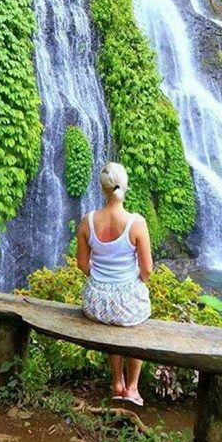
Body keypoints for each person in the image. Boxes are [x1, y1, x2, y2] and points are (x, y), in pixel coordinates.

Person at [76, 162, 153, 406]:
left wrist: (102, 278)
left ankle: (116, 382)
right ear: (125, 187)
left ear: (103, 188)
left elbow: (82, 265)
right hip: (126, 303)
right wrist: (132, 283)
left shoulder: (88, 220)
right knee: (131, 320)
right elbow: (147, 270)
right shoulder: (136, 222)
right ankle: (132, 388)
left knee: (113, 317)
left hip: (97, 302)